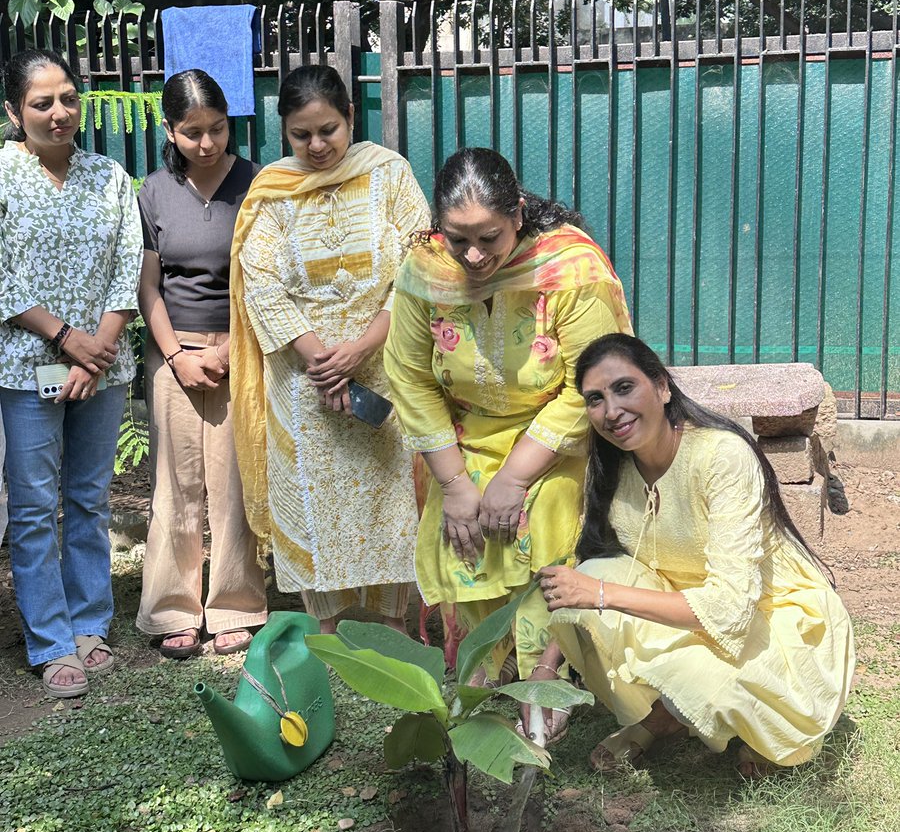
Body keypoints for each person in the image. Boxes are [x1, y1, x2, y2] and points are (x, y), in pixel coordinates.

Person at [383, 147, 633, 735]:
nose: (472, 257)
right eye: (456, 239)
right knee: (458, 525)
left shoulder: (571, 269)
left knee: (542, 514)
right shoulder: (424, 270)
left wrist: (515, 477)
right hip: (463, 440)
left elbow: (591, 384)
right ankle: (483, 663)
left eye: (489, 238)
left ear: (517, 215)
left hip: (557, 439)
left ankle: (545, 675)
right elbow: (410, 376)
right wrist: (455, 484)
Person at [535, 333, 855, 776]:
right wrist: (545, 668)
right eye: (595, 399)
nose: (611, 411)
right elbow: (588, 583)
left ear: (663, 388)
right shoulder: (613, 467)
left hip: (769, 611)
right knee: (596, 569)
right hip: (680, 602)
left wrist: (601, 594)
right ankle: (669, 714)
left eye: (624, 388)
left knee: (697, 675)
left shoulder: (721, 456)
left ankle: (715, 718)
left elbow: (729, 610)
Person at [230, 65, 430, 631]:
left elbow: (419, 268)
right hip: (304, 377)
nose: (317, 145)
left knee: (387, 499)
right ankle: (329, 628)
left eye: (328, 130)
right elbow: (259, 279)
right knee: (314, 498)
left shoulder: (389, 174)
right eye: (301, 134)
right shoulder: (271, 190)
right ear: (284, 132)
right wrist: (321, 356)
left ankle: (391, 624)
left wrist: (362, 346)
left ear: (350, 119)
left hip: (385, 361)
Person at [0, 49, 142, 697]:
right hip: (26, 365)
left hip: (102, 371)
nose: (58, 113)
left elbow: (127, 267)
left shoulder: (109, 177)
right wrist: (65, 339)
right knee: (33, 509)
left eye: (67, 98)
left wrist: (98, 350)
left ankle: (89, 626)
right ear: (13, 112)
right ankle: (52, 641)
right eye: (41, 103)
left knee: (88, 500)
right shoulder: (3, 175)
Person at [136, 69, 267, 658]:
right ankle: (172, 609)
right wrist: (177, 356)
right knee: (174, 484)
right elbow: (148, 288)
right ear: (170, 130)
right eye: (193, 132)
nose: (208, 143)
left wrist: (228, 349)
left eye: (217, 129)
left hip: (242, 346)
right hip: (173, 353)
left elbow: (266, 281)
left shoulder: (259, 184)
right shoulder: (155, 191)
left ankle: (236, 605)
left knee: (235, 483)